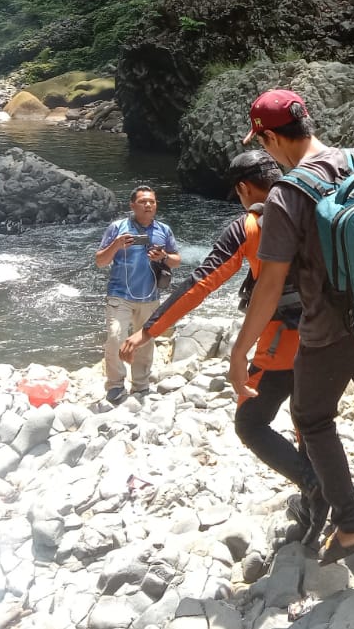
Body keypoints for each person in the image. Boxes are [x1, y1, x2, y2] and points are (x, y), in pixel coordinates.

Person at [226, 89, 354, 565]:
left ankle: (353, 525)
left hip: (329, 331)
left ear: (273, 136)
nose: (268, 153)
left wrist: (241, 352)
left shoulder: (286, 196)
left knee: (312, 417)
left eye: (264, 141)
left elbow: (270, 284)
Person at [118, 151, 326, 544]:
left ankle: (314, 487)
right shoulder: (317, 210)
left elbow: (201, 283)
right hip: (334, 338)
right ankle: (325, 503)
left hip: (285, 346)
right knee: (310, 421)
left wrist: (150, 329)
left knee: (251, 422)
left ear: (244, 188)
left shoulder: (250, 226)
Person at [95, 185, 181, 404]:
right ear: (132, 205)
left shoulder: (163, 230)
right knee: (115, 337)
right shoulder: (117, 228)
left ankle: (141, 386)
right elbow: (100, 261)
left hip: (150, 296)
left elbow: (177, 260)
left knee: (145, 343)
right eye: (143, 201)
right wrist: (116, 244)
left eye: (152, 201)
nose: (149, 205)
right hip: (119, 294)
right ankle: (115, 385)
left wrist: (162, 257)